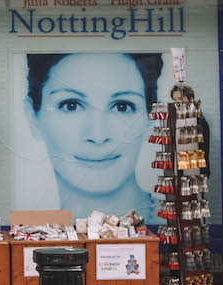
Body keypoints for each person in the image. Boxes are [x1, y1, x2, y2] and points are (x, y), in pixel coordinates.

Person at [25, 52, 162, 219]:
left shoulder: (171, 224)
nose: (98, 136)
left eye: (122, 107)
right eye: (71, 105)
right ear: (32, 116)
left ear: (151, 118)